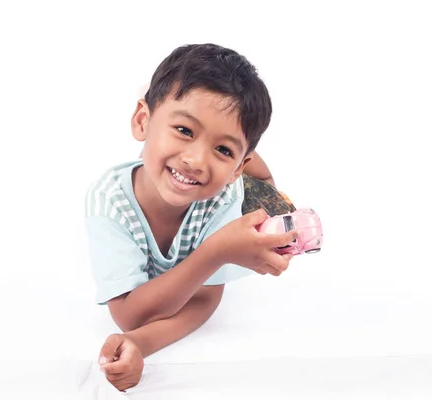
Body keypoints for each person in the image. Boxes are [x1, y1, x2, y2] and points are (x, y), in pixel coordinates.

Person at [84, 43, 297, 391]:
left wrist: (221, 249)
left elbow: (204, 298)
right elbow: (130, 315)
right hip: (227, 180)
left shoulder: (224, 196)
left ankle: (254, 172)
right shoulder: (107, 202)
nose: (196, 159)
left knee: (270, 198)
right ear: (143, 120)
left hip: (240, 188)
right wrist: (217, 251)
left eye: (222, 149)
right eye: (184, 130)